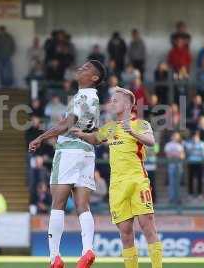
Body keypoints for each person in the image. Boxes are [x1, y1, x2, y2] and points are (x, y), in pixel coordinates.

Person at [72, 87, 163, 268]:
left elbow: (152, 142)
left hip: (138, 180)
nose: (111, 103)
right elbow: (96, 138)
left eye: (115, 100)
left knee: (148, 226)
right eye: (111, 100)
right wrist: (80, 134)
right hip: (117, 185)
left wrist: (132, 132)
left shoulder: (141, 124)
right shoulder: (110, 127)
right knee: (126, 233)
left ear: (128, 104)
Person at [29, 60, 106, 268]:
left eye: (87, 68)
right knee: (83, 205)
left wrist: (41, 137)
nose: (81, 68)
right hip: (87, 153)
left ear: (94, 78)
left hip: (69, 150)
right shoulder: (94, 98)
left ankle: (54, 257)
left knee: (58, 203)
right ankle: (87, 249)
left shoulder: (81, 96)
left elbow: (66, 124)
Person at [184, 131, 204, 198]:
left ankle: (200, 193)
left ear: (199, 137)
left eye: (196, 137)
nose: (195, 138)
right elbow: (188, 152)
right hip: (191, 162)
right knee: (190, 178)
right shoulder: (188, 143)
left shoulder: (202, 143)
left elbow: (203, 153)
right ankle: (190, 193)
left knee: (199, 178)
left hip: (199, 163)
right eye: (194, 137)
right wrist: (195, 149)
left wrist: (194, 150)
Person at [164, 132, 185, 205]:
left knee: (178, 183)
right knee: (172, 183)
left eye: (178, 136)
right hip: (171, 166)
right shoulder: (168, 145)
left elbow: (182, 156)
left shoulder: (180, 145)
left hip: (179, 166)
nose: (177, 137)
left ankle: (178, 198)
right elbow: (168, 155)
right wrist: (177, 154)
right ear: (172, 137)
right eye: (175, 136)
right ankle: (171, 199)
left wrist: (175, 154)